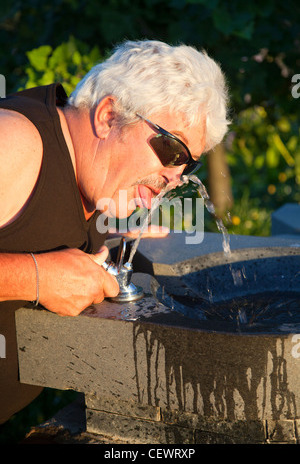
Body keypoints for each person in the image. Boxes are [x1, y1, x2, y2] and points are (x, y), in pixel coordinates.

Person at [0, 40, 230, 424]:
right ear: (108, 115)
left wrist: (109, 240)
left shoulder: (90, 181)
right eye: (173, 152)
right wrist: (37, 276)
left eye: (188, 166)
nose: (175, 178)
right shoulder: (16, 142)